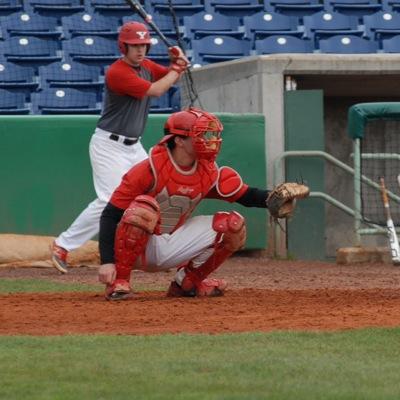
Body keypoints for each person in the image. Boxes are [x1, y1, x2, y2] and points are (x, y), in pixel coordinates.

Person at [51, 21, 189, 273]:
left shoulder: (146, 66)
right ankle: (62, 245)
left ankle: (158, 251)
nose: (140, 50)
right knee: (110, 200)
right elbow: (157, 90)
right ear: (123, 46)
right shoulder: (118, 72)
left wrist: (176, 63)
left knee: (155, 192)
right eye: (134, 46)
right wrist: (178, 68)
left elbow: (167, 76)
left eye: (143, 45)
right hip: (108, 145)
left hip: (133, 146)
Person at [98, 107, 274, 300]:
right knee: (143, 208)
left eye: (208, 135)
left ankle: (187, 283)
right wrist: (107, 262)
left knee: (232, 225)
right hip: (135, 250)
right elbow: (110, 215)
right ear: (179, 140)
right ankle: (120, 283)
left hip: (171, 242)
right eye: (200, 136)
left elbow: (246, 195)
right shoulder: (148, 169)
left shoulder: (207, 171)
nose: (208, 141)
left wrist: (275, 198)